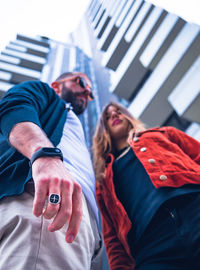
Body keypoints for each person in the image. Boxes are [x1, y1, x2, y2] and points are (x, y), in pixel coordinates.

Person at [0, 72, 103, 270]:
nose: (87, 91)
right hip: (45, 201)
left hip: (69, 219)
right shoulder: (47, 94)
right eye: (81, 82)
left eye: (91, 93)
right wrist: (44, 155)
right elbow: (14, 106)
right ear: (57, 85)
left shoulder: (76, 128)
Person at [92, 101, 200, 270]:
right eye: (107, 117)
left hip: (194, 209)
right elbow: (111, 236)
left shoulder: (163, 134)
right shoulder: (103, 179)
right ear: (103, 130)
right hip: (152, 245)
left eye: (118, 111)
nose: (114, 115)